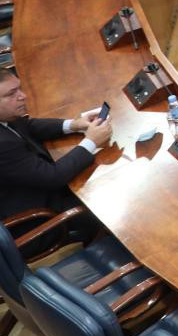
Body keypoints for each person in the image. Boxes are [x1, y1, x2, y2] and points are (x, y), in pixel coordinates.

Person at [0, 72, 112, 225]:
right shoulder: (3, 145)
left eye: (19, 88)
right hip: (41, 216)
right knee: (109, 196)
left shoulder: (6, 115)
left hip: (40, 188)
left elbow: (29, 125)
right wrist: (91, 141)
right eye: (12, 94)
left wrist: (74, 125)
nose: (23, 96)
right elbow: (53, 177)